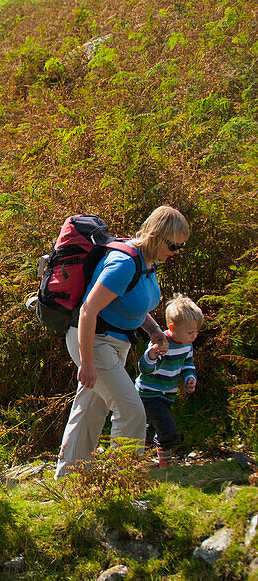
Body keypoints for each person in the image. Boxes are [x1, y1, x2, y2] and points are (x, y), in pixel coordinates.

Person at [55, 205, 189, 478]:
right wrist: (88, 363)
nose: (176, 253)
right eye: (174, 245)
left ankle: (69, 479)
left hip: (114, 344)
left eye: (181, 246)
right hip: (94, 342)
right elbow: (88, 311)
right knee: (131, 411)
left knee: (90, 409)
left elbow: (132, 305)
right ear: (157, 235)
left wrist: (154, 330)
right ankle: (121, 482)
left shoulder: (146, 262)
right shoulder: (124, 263)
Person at [136, 294, 202, 468]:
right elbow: (144, 367)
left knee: (147, 430)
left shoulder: (187, 344)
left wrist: (190, 378)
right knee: (167, 431)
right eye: (190, 332)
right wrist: (152, 354)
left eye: (196, 331)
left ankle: (138, 458)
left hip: (167, 394)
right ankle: (165, 466)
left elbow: (188, 365)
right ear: (172, 327)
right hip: (149, 392)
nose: (194, 336)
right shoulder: (162, 342)